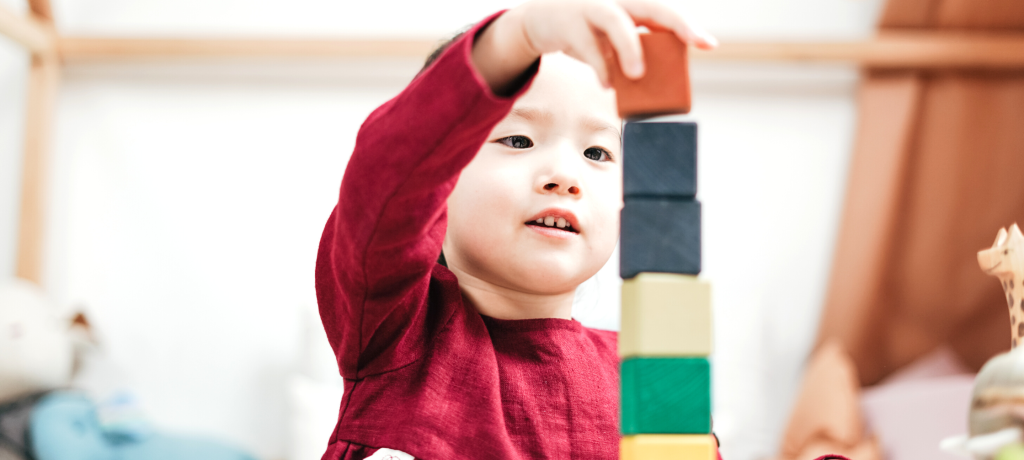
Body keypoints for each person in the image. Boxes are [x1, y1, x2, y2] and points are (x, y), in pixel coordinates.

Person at [314, 1, 717, 458]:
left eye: (597, 153)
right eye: (518, 140)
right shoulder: (394, 337)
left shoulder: (650, 378)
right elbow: (386, 174)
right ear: (437, 180)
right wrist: (520, 35)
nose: (565, 175)